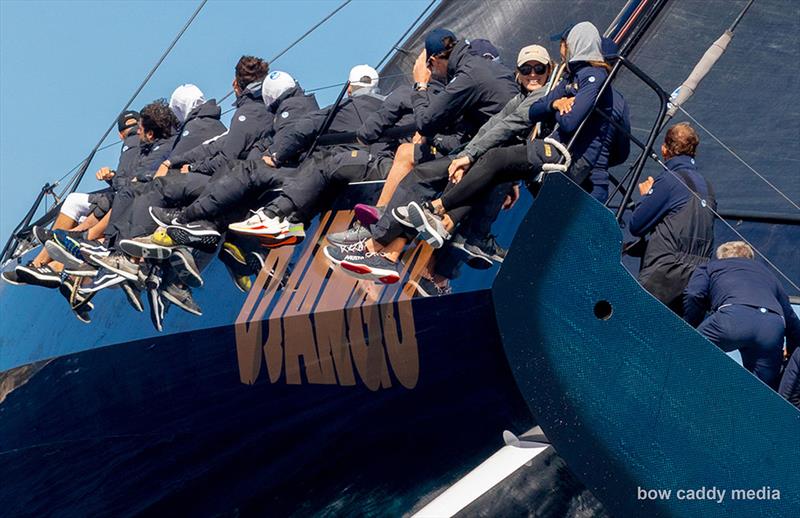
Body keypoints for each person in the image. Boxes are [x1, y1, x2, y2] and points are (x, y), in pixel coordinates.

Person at [684, 241, 800, 386]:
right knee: (762, 390)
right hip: (772, 327)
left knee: (687, 351)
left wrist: (689, 326)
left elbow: (694, 294)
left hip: (732, 318)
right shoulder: (770, 276)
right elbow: (792, 320)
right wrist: (789, 353)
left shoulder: (711, 266)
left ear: (722, 257)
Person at [629, 122, 716, 313]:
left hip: (664, 271)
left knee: (636, 323)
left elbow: (636, 225)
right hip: (698, 276)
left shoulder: (669, 180)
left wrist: (644, 198)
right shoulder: (707, 187)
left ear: (664, 149)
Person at [158, 56, 270, 177]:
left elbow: (226, 157)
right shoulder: (270, 108)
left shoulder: (247, 114)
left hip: (246, 180)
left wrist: (191, 167)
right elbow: (218, 144)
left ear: (235, 84)